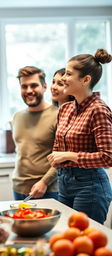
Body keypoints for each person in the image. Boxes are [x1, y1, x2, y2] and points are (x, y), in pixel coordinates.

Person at [47, 49, 112, 224]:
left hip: (90, 186)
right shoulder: (65, 109)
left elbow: (108, 157)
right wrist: (55, 156)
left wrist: (69, 156)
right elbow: (59, 145)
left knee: (84, 242)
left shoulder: (98, 110)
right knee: (67, 236)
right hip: (64, 183)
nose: (62, 79)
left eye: (68, 74)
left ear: (85, 80)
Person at [11, 66, 58, 201]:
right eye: (24, 86)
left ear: (44, 87)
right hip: (18, 188)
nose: (29, 91)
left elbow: (62, 158)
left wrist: (45, 182)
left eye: (34, 85)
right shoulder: (17, 116)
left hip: (48, 190)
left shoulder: (58, 115)